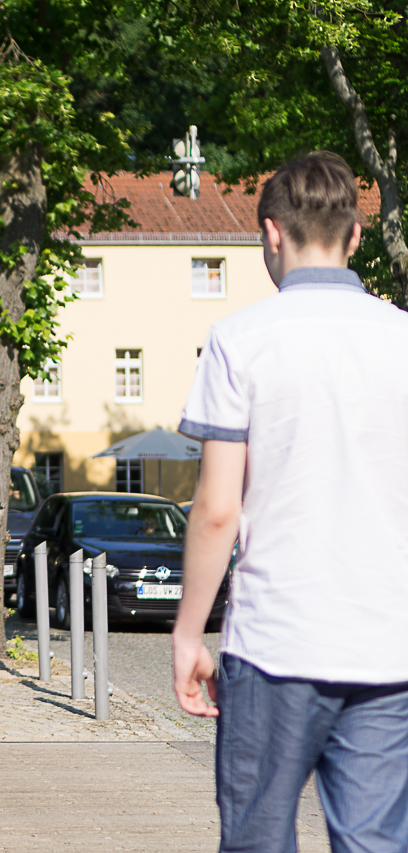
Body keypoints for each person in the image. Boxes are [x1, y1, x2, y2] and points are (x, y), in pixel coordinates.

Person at [173, 151, 408, 852]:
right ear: (357, 235)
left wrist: (189, 631)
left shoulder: (239, 341)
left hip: (277, 643)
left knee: (258, 839)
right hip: (387, 645)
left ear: (271, 234)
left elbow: (217, 508)